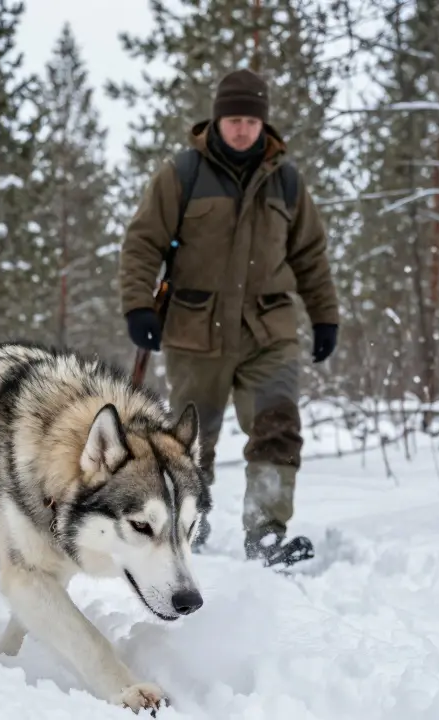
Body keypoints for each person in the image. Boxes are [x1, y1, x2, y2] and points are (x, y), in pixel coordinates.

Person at [117, 68, 340, 568]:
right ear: (217, 120)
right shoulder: (182, 174)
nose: (241, 129)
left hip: (269, 331)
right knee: (189, 442)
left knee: (278, 428)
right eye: (233, 119)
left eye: (250, 121)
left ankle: (266, 531)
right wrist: (137, 306)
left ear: (264, 124)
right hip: (196, 333)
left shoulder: (286, 180)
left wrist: (326, 317)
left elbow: (310, 256)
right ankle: (189, 525)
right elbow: (142, 243)